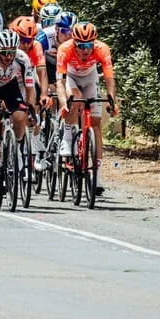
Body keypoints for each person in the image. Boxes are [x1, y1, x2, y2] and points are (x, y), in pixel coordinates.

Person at [56, 22, 119, 195]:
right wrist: (63, 104)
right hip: (71, 77)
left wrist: (111, 100)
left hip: (90, 78)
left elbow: (109, 78)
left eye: (89, 45)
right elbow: (60, 82)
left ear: (94, 43)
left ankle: (97, 175)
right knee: (76, 100)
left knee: (96, 125)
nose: (86, 50)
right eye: (81, 45)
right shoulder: (65, 49)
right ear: (74, 42)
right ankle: (67, 137)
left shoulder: (102, 49)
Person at [0, 30, 38, 192]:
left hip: (11, 88)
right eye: (4, 52)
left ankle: (17, 149)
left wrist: (31, 109)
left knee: (20, 117)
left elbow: (30, 89)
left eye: (11, 52)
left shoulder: (22, 58)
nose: (8, 56)